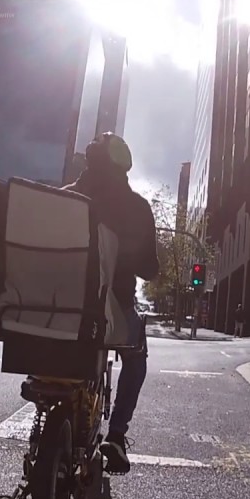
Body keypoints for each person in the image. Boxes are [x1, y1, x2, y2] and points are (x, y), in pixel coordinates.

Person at [63, 132, 159, 474]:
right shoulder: (137, 208)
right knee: (136, 357)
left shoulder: (64, 197)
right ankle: (116, 435)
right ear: (124, 167)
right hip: (111, 310)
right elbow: (150, 270)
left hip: (55, 305)